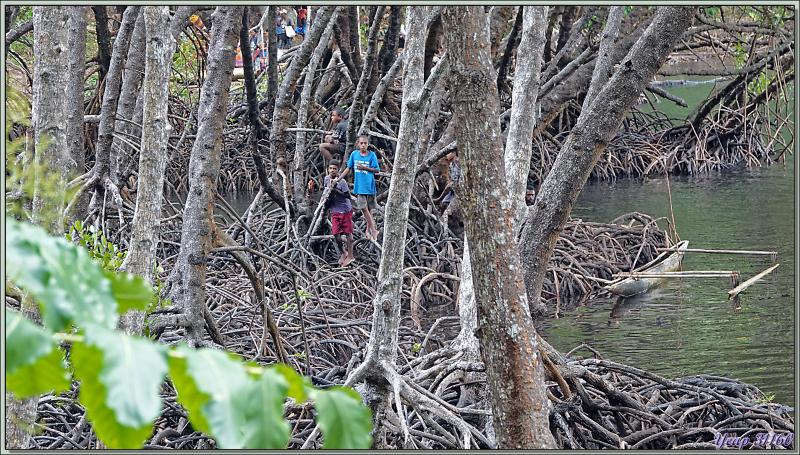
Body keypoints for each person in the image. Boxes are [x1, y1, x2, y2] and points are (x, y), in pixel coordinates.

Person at [338, 135, 380, 241]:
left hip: (369, 186)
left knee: (370, 209)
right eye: (361, 143)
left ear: (368, 144)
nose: (363, 145)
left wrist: (364, 168)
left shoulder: (372, 155)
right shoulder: (354, 154)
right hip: (360, 187)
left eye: (365, 143)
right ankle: (374, 230)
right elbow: (348, 168)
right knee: (363, 209)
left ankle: (369, 230)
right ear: (358, 144)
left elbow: (377, 170)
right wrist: (339, 178)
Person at [324, 160, 355, 266]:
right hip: (334, 211)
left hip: (345, 210)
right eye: (330, 168)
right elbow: (326, 194)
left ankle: (350, 256)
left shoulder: (342, 182)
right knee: (336, 234)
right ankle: (343, 252)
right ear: (328, 169)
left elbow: (348, 196)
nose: (332, 170)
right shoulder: (326, 179)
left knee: (348, 235)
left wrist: (335, 189)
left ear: (338, 170)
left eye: (334, 169)